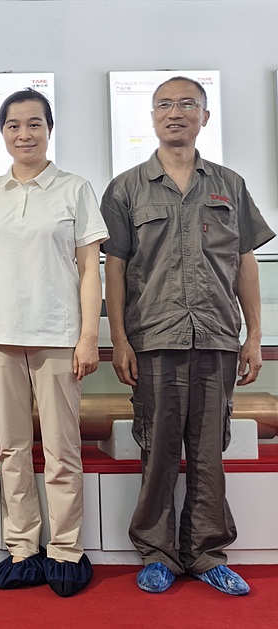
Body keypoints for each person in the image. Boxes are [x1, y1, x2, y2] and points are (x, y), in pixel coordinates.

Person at [101, 76, 274, 596]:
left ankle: (206, 553)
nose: (174, 113)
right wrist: (120, 339)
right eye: (164, 105)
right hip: (154, 338)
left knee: (208, 450)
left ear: (204, 115)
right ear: (152, 116)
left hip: (217, 335)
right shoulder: (127, 188)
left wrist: (254, 335)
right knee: (157, 450)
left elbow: (245, 262)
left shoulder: (229, 185)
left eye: (186, 104)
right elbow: (114, 268)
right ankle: (157, 553)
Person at [0, 89, 107, 597]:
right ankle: (22, 547)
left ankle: (66, 549)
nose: (24, 134)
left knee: (62, 450)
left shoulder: (75, 189)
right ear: (2, 132)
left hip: (58, 338)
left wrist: (89, 336)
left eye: (34, 124)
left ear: (49, 129)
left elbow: (89, 269)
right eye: (13, 125)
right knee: (12, 449)